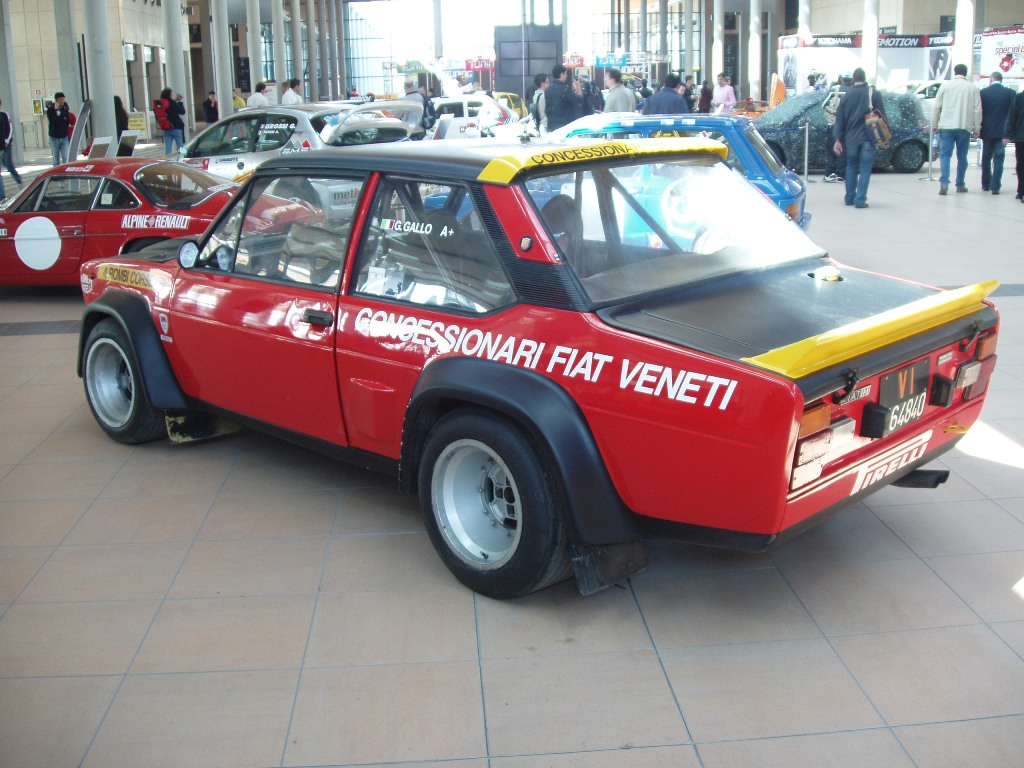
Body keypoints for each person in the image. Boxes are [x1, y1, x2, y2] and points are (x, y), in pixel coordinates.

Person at [832, 67, 885, 209]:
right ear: (865, 78)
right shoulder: (873, 93)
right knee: (866, 167)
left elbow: (840, 120)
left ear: (854, 79)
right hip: (869, 137)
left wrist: (838, 139)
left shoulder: (846, 95)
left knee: (851, 165)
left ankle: (849, 197)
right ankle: (860, 200)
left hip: (851, 139)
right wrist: (884, 137)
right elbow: (882, 116)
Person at [933, 63, 981, 195]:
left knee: (945, 156)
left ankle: (944, 183)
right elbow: (977, 110)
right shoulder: (973, 88)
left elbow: (937, 107)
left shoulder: (945, 86)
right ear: (966, 73)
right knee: (962, 156)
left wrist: (935, 125)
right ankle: (960, 184)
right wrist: (977, 128)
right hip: (964, 127)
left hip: (946, 127)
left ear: (954, 72)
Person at [978, 72, 1014, 194]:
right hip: (1003, 131)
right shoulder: (1010, 93)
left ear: (991, 79)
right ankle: (995, 186)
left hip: (987, 130)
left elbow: (979, 111)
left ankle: (986, 183)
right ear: (1001, 80)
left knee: (986, 157)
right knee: (999, 158)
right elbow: (1012, 114)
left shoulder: (983, 93)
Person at [822, 74, 852, 183]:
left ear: (842, 79)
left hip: (833, 123)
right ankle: (841, 174)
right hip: (847, 125)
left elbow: (824, 105)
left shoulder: (835, 89)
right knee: (844, 150)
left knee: (831, 149)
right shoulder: (853, 91)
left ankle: (830, 173)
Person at [545, 64, 583, 132]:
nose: (566, 76)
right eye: (565, 74)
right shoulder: (565, 90)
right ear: (562, 74)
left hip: (551, 127)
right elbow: (579, 100)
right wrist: (579, 86)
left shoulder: (548, 90)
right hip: (565, 128)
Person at [0, 96, 24, 199]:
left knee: (8, 164)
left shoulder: (4, 115)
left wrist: (6, 141)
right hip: (2, 144)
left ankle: (18, 180)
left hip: (5, 144)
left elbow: (9, 129)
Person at [1006, 87, 1024, 203]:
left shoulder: (1019, 97)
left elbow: (1012, 116)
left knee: (1021, 164)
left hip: (1021, 137)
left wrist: (1008, 134)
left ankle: (1021, 191)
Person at [45, 92, 72, 166]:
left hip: (64, 137)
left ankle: (66, 174)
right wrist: (55, 110)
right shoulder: (50, 109)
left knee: (65, 157)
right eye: (60, 99)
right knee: (56, 159)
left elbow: (67, 121)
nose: (62, 101)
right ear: (56, 100)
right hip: (54, 137)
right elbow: (52, 119)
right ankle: (56, 174)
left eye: (63, 99)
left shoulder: (65, 110)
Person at [157, 87, 186, 154]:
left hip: (166, 127)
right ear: (170, 94)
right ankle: (183, 158)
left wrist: (176, 101)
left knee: (168, 149)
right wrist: (180, 102)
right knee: (181, 147)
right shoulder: (173, 103)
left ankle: (168, 160)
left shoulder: (160, 103)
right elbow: (182, 111)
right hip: (176, 128)